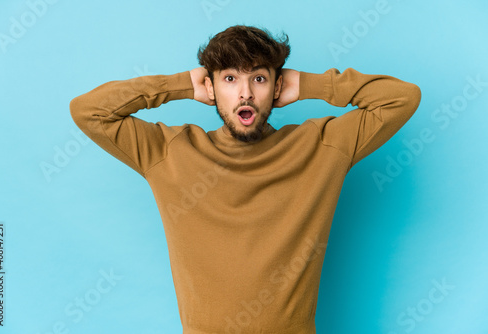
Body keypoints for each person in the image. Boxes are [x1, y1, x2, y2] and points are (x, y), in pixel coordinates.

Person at [70, 25, 421, 334]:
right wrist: (179, 85)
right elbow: (89, 111)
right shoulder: (169, 152)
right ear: (210, 88)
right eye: (229, 79)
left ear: (278, 86)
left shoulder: (321, 146)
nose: (245, 94)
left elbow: (402, 99)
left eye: (259, 78)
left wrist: (310, 84)